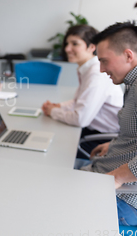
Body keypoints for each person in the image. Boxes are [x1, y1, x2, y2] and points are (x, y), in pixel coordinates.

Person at [77, 22, 137, 226]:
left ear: (128, 55)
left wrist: (118, 177)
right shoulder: (136, 80)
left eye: (104, 61)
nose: (101, 69)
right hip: (109, 175)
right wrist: (115, 143)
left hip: (125, 199)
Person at [42, 25, 123, 155]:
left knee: (52, 149)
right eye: (67, 44)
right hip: (92, 129)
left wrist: (53, 111)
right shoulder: (87, 69)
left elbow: (80, 119)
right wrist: (59, 106)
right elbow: (79, 101)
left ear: (92, 47)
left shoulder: (97, 74)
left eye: (75, 44)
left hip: (103, 138)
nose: (67, 49)